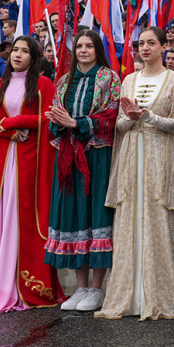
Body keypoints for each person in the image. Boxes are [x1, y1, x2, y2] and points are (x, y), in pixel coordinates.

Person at [97, 27, 174, 320]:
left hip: (160, 158)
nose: (145, 48)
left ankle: (162, 295)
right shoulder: (129, 80)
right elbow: (118, 126)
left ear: (163, 47)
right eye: (140, 44)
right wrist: (130, 120)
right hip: (132, 156)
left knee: (159, 220)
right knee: (131, 220)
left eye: (151, 43)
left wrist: (147, 116)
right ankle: (128, 298)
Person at [0, 36, 64, 312]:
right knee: (3, 216)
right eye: (15, 50)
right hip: (5, 160)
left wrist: (14, 121)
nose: (17, 55)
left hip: (32, 162)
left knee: (25, 215)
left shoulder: (44, 84)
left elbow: (48, 117)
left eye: (24, 51)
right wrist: (10, 130)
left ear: (34, 58)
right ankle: (0, 284)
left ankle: (32, 287)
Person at [45, 30, 121, 313]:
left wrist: (77, 123)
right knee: (74, 214)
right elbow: (56, 116)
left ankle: (98, 288)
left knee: (95, 214)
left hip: (97, 155)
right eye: (79, 45)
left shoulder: (110, 78)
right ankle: (80, 287)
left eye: (89, 45)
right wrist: (58, 121)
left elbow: (112, 115)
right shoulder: (64, 81)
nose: (84, 50)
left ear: (97, 49)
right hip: (68, 156)